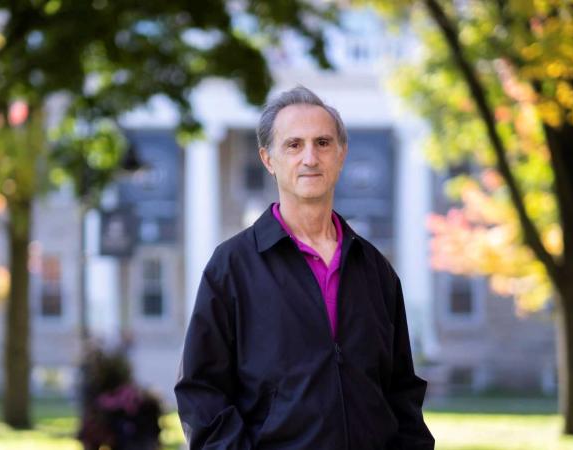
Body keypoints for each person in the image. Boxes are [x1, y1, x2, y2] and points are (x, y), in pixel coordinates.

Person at [174, 86, 435, 449]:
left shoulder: (375, 269)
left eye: (323, 143)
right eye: (294, 145)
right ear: (268, 159)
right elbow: (202, 393)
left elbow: (401, 391)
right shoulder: (232, 267)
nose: (310, 157)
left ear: (341, 155)